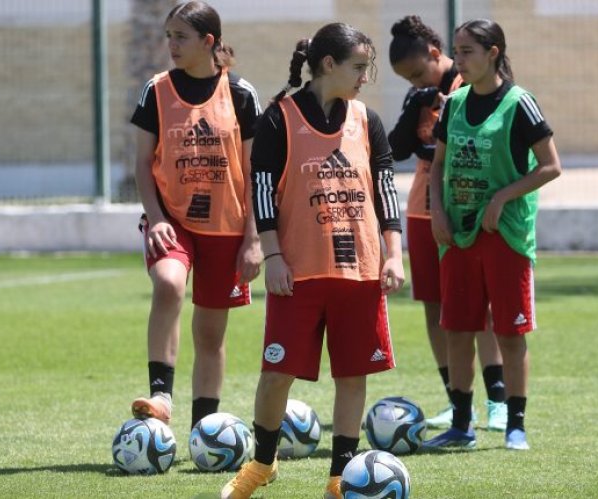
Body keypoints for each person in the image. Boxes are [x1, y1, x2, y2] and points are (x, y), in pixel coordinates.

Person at [220, 22, 404, 499]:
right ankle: (262, 464)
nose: (366, 77)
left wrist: (393, 253)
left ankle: (340, 477)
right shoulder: (279, 118)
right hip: (296, 272)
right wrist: (272, 252)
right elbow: (260, 189)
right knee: (276, 373)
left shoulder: (368, 120)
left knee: (352, 374)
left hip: (359, 270)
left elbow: (385, 190)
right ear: (328, 65)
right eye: (359, 67)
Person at [424, 19, 562, 451]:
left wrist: (502, 197)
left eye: (467, 51)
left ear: (493, 53)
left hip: (506, 236)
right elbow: (439, 167)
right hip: (460, 234)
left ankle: (515, 425)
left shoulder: (521, 103)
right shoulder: (454, 103)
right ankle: (462, 425)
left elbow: (550, 166)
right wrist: (438, 214)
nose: (458, 59)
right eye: (457, 51)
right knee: (458, 330)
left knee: (508, 332)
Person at [129, 1, 262, 429]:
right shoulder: (157, 89)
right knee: (168, 283)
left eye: (180, 36)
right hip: (172, 219)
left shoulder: (240, 93)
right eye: (168, 36)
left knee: (209, 334)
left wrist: (254, 239)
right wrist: (156, 217)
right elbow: (141, 165)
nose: (171, 44)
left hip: (228, 225)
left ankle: (205, 428)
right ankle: (160, 395)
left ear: (208, 41)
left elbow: (257, 172)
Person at [387, 15, 508, 432]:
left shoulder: (471, 85)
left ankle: (498, 399)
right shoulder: (420, 95)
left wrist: (433, 109)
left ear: (436, 54)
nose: (414, 81)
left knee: (480, 309)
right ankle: (459, 401)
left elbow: (460, 142)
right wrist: (419, 100)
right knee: (436, 306)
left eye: (419, 72)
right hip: (424, 210)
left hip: (466, 208)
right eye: (407, 79)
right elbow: (400, 147)